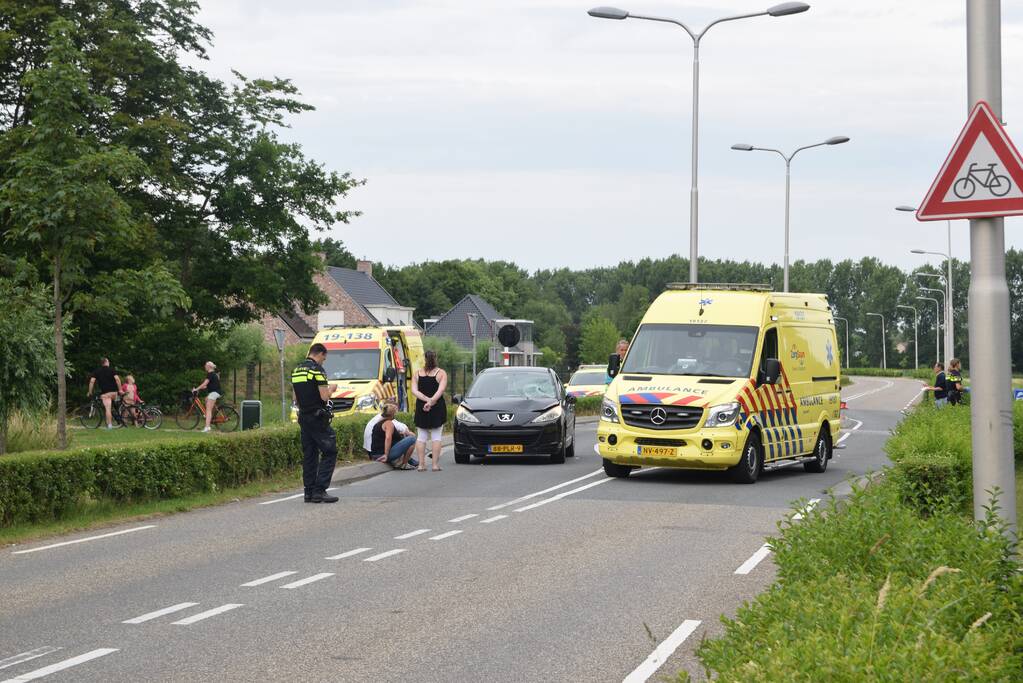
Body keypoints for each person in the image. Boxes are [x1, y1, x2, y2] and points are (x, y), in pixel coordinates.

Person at [291, 343, 339, 504]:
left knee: (310, 455)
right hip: (317, 417)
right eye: (324, 358)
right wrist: (332, 389)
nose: (323, 361)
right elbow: (324, 397)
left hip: (303, 417)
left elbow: (295, 398)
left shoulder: (296, 370)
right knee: (330, 451)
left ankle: (308, 492)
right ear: (320, 354)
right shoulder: (317, 370)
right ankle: (320, 491)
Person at [412, 350, 447, 472]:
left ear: (424, 359)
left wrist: (426, 400)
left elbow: (414, 391)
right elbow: (440, 390)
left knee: (421, 436)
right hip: (437, 407)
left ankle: (421, 465)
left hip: (421, 407)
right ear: (435, 358)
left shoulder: (417, 373)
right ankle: (434, 465)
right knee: (436, 436)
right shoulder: (441, 373)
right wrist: (431, 401)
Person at [363, 398, 418, 467]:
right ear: (393, 414)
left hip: (372, 453)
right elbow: (388, 438)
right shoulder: (389, 423)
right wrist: (386, 455)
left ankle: (404, 460)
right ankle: (404, 464)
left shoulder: (379, 421)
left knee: (403, 437)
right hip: (382, 454)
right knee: (412, 439)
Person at [87, 358, 122, 429]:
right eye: (108, 361)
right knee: (114, 406)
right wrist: (120, 389)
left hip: (106, 394)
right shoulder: (112, 370)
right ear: (106, 362)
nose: (109, 362)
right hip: (114, 393)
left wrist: (90, 392)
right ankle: (118, 417)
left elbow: (92, 381)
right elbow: (117, 379)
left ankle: (109, 426)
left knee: (108, 409)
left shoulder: (97, 371)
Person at [192, 361, 223, 433]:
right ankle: (209, 416)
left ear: (209, 366)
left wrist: (196, 389)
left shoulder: (210, 374)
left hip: (214, 393)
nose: (205, 367)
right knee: (206, 399)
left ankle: (207, 427)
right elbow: (206, 386)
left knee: (208, 410)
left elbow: (204, 383)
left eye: (205, 365)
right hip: (214, 392)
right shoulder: (213, 374)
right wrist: (199, 388)